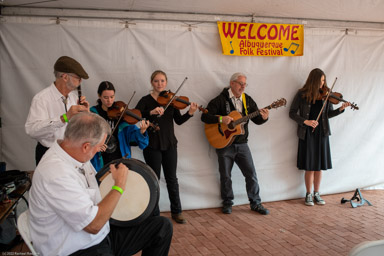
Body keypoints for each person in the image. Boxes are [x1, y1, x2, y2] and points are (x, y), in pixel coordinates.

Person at [29, 112, 173, 256]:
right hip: (78, 249)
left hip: (100, 236)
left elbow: (96, 189)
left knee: (162, 227)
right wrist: (119, 186)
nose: (100, 149)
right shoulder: (56, 174)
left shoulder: (74, 154)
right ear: (86, 146)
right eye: (99, 146)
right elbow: (93, 225)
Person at [201, 72, 270, 215]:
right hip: (224, 144)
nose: (243, 87)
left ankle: (255, 203)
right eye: (240, 83)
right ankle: (227, 203)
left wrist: (264, 117)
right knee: (225, 175)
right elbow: (205, 116)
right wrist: (221, 120)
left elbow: (257, 120)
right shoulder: (220, 100)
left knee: (251, 174)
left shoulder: (248, 100)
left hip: (242, 144)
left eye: (245, 84)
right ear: (232, 83)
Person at [135, 70, 198, 224]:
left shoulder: (172, 100)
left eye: (162, 81)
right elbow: (135, 115)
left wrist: (190, 113)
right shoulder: (145, 100)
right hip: (152, 145)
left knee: (172, 179)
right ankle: (154, 213)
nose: (160, 84)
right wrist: (151, 112)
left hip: (170, 144)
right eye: (156, 81)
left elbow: (179, 121)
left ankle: (177, 211)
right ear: (151, 82)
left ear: (166, 82)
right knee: (153, 180)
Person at [289, 68, 351, 206]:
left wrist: (340, 109)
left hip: (322, 133)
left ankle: (317, 193)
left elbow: (328, 115)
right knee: (309, 166)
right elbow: (292, 113)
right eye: (320, 81)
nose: (323, 84)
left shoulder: (326, 94)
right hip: (307, 133)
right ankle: (308, 194)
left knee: (319, 166)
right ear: (313, 80)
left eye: (324, 81)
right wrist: (306, 121)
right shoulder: (302, 94)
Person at [25, 56, 90, 165]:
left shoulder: (74, 98)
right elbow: (32, 130)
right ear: (65, 77)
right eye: (78, 77)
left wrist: (86, 115)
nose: (80, 81)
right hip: (49, 154)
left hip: (71, 153)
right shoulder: (41, 99)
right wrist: (65, 117)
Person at [90, 81, 149, 171]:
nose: (109, 100)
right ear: (99, 95)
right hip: (101, 159)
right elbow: (87, 136)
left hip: (120, 158)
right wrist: (96, 145)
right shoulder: (93, 114)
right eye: (105, 97)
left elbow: (132, 136)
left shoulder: (121, 114)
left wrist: (142, 132)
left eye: (112, 97)